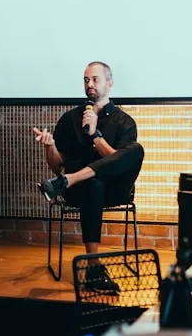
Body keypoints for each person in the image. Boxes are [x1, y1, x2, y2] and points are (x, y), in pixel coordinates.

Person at [32, 61, 144, 292]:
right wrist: (49, 147)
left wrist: (95, 135)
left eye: (95, 79)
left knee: (136, 150)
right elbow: (56, 166)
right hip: (81, 194)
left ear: (110, 84)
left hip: (115, 190)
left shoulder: (125, 122)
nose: (89, 85)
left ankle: (68, 180)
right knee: (93, 183)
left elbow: (120, 163)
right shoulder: (70, 119)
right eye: (86, 80)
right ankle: (94, 266)